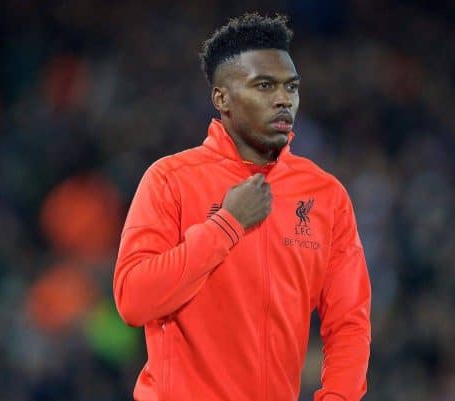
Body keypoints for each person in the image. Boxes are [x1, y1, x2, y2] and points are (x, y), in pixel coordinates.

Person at [113, 13, 371, 401]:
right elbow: (134, 299)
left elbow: (349, 322)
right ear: (222, 98)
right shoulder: (171, 180)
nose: (284, 99)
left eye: (292, 87)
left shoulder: (325, 196)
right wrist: (227, 224)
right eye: (264, 86)